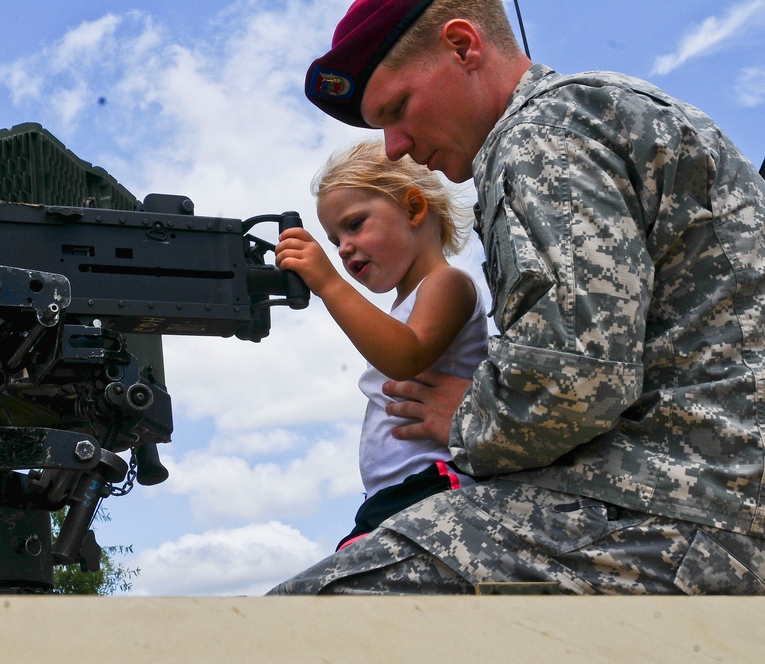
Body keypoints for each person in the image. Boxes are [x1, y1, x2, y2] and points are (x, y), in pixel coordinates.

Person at [270, 0, 765, 595]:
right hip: (708, 489)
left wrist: (467, 415)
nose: (394, 145)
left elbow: (576, 382)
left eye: (398, 109)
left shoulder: (542, 135)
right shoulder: (588, 112)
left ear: (462, 46)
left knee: (301, 616)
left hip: (686, 509)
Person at [276, 139, 488, 551]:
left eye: (354, 225)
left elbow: (405, 357)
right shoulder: (404, 305)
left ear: (413, 208)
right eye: (335, 240)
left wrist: (328, 283)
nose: (344, 248)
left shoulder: (448, 283)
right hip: (391, 495)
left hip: (435, 484)